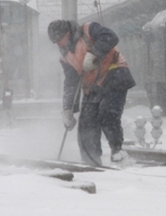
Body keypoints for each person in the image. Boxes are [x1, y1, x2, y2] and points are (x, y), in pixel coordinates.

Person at [48, 20, 136, 165]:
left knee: (107, 113)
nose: (58, 44)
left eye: (59, 39)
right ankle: (91, 160)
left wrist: (94, 54)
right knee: (86, 124)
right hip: (93, 86)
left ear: (68, 33)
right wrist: (68, 109)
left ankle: (117, 151)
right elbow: (71, 83)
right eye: (55, 42)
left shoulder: (89, 30)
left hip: (114, 74)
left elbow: (110, 37)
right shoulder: (65, 57)